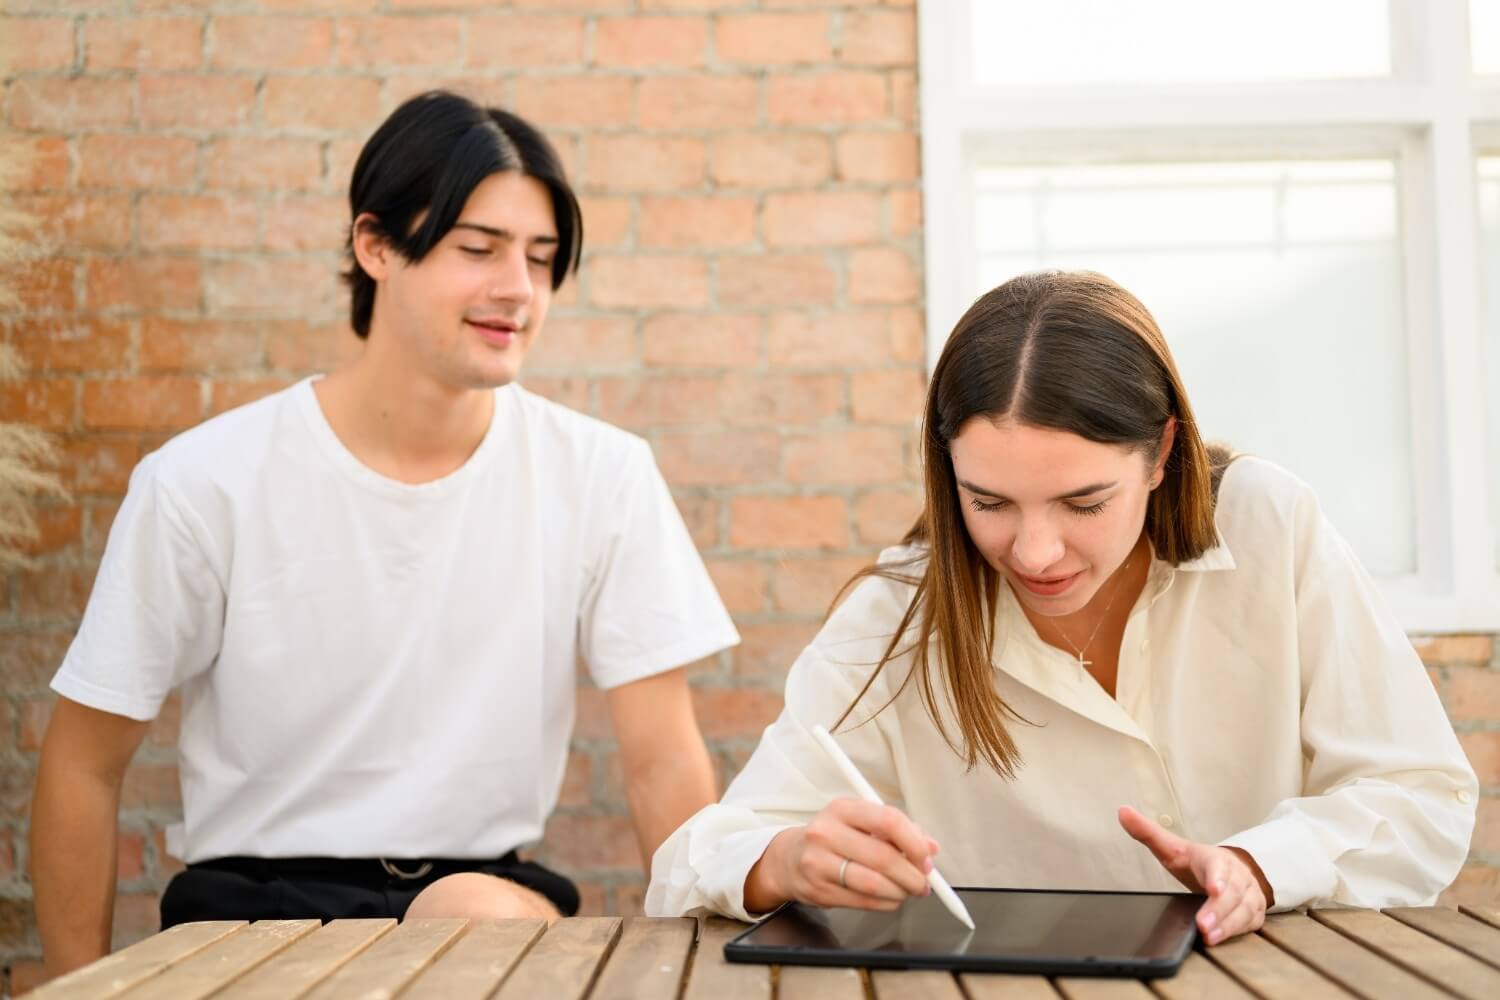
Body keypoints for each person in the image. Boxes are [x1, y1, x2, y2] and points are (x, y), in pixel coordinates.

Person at [31, 90, 739, 978]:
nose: (517, 289)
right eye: (476, 249)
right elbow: (84, 764)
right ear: (375, 246)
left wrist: (706, 967)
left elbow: (661, 759)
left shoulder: (602, 474)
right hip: (252, 915)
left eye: (542, 257)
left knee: (471, 909)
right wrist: (72, 984)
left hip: (482, 905)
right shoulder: (205, 479)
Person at [645, 270, 1477, 945]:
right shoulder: (899, 611)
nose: (1035, 553)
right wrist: (785, 861)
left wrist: (1261, 867)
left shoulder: (1269, 528)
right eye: (989, 502)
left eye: (1083, 503)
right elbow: (694, 861)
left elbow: (1421, 796)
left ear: (1161, 455)